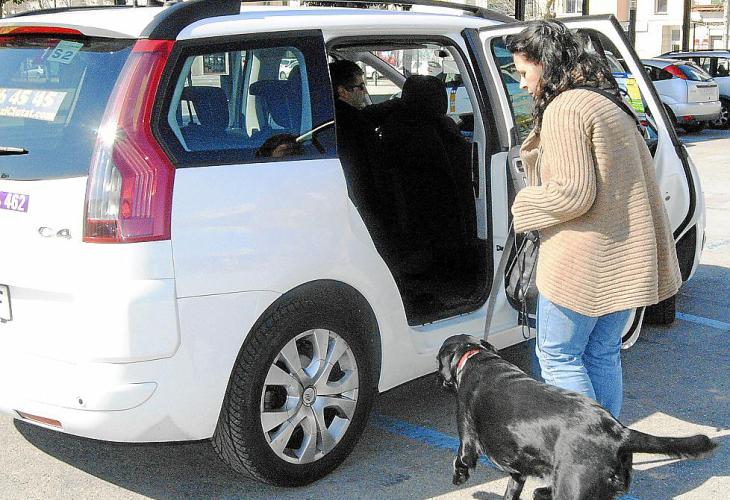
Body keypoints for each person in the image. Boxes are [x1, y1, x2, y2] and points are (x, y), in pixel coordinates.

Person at [506, 20, 681, 418]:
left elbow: (573, 193)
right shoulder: (605, 101)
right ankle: (609, 458)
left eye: (522, 72)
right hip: (621, 261)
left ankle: (587, 458)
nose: (520, 84)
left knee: (559, 358)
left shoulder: (566, 108)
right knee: (602, 355)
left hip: (581, 267)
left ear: (545, 64)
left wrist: (524, 205)